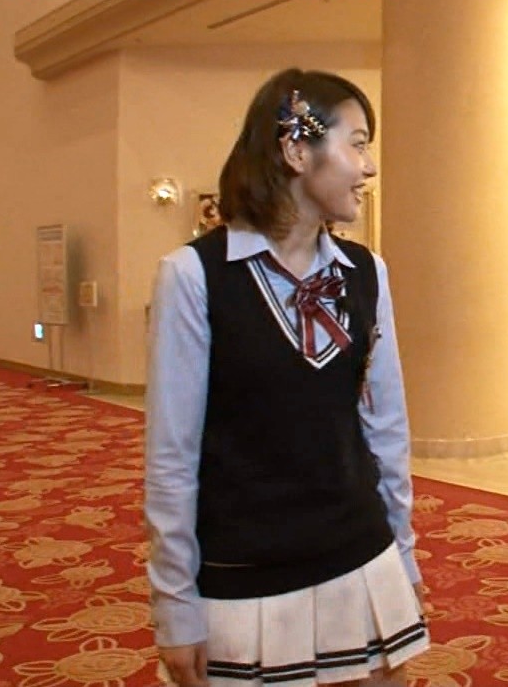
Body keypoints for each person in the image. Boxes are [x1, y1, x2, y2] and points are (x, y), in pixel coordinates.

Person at [145, 69, 429, 687]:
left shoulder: (366, 272)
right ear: (298, 151)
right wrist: (175, 602)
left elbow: (386, 429)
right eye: (357, 144)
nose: (369, 166)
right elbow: (172, 456)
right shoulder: (194, 276)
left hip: (361, 555)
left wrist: (403, 555)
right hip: (247, 571)